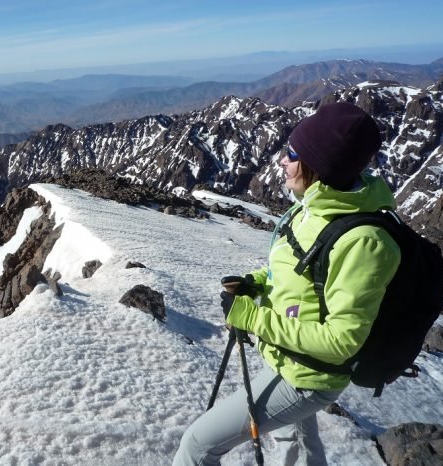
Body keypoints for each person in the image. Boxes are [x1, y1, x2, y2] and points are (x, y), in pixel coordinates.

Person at [173, 102, 402, 466]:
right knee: (295, 445)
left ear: (319, 164)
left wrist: (253, 319)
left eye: (292, 153)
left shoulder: (364, 241)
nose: (281, 160)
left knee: (198, 445)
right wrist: (256, 283)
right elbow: (294, 271)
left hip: (308, 376)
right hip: (285, 357)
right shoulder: (311, 208)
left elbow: (342, 341)